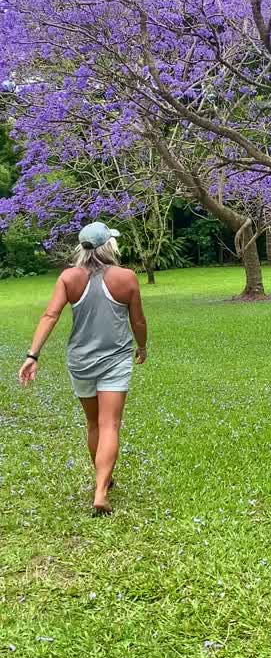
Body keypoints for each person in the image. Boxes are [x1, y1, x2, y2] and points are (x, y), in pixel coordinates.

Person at [18, 221, 148, 515]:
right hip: (114, 360)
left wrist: (32, 355)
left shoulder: (68, 277)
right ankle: (101, 490)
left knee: (93, 424)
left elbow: (50, 315)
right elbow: (138, 321)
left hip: (81, 361)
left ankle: (103, 480)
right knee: (110, 424)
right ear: (108, 246)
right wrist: (141, 347)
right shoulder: (126, 277)